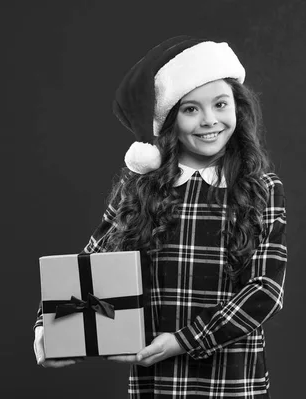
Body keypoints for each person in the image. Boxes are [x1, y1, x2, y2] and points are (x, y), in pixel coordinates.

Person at [33, 35, 287, 398]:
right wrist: (49, 329)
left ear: (238, 108)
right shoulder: (139, 187)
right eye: (190, 109)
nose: (209, 120)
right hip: (156, 385)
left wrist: (184, 340)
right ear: (170, 120)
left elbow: (266, 291)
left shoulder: (262, 188)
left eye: (220, 104)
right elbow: (88, 267)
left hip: (232, 384)